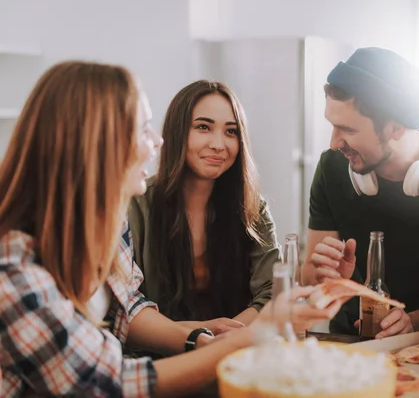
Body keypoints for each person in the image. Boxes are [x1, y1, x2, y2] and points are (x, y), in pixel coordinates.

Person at [0, 61, 341, 397]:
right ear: (97, 143)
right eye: (143, 128)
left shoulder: (106, 221)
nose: (157, 141)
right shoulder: (14, 270)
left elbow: (126, 305)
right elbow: (108, 382)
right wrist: (248, 336)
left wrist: (201, 339)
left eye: (231, 131)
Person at [301, 47, 419, 338]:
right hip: (349, 341)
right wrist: (320, 276)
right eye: (332, 126)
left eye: (347, 130)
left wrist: (413, 322)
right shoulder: (331, 167)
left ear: (395, 127)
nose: (333, 143)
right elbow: (308, 275)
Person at [128, 80, 278, 334]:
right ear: (178, 132)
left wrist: (222, 338)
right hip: (154, 355)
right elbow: (127, 305)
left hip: (234, 352)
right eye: (203, 127)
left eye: (231, 131)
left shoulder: (253, 207)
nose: (219, 144)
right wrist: (198, 337)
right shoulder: (136, 204)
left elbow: (274, 290)